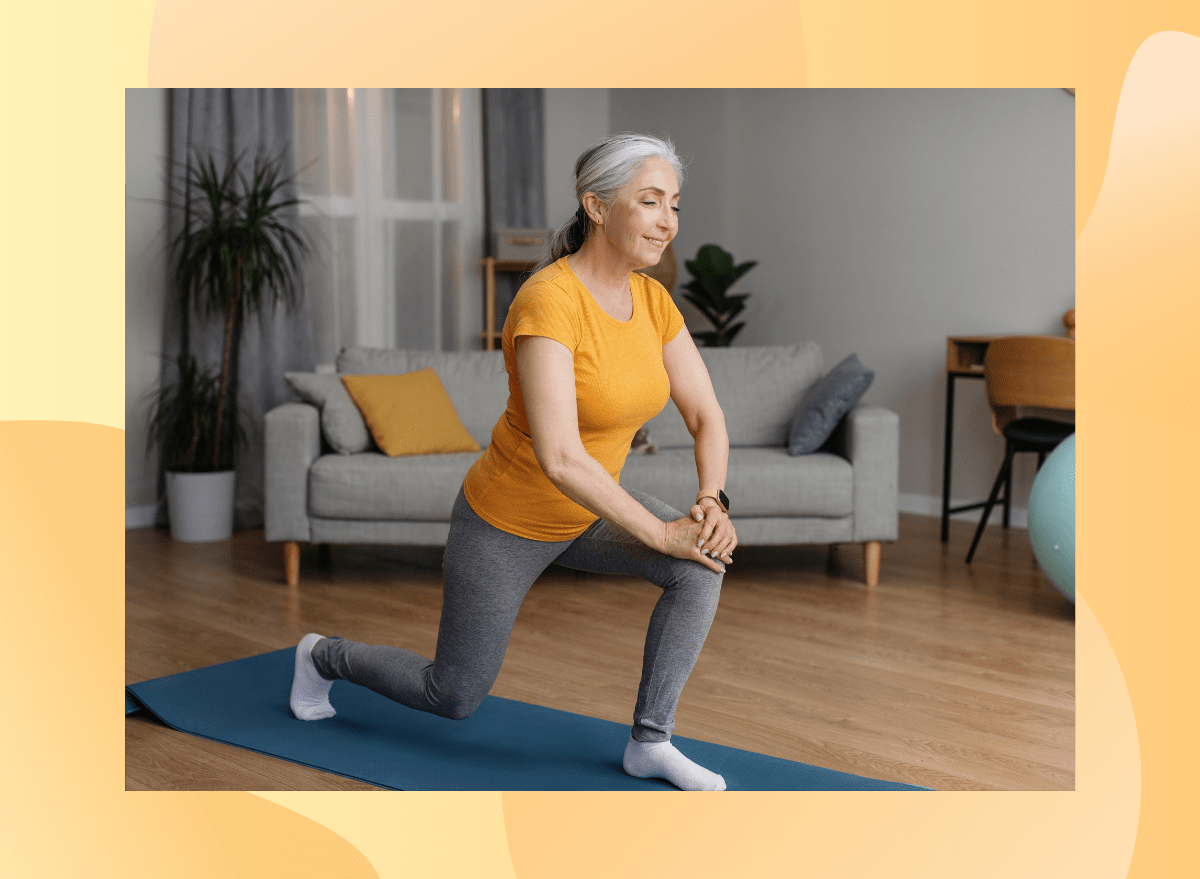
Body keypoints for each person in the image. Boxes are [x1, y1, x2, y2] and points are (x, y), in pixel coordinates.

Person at [289, 133, 737, 791]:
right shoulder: (548, 300)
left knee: (699, 566)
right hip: (506, 519)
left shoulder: (654, 303)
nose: (668, 220)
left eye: (674, 203)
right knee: (454, 693)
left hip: (586, 513)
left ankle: (650, 741)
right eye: (649, 201)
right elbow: (559, 457)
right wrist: (659, 530)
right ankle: (322, 655)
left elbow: (707, 415)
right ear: (597, 206)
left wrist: (711, 500)